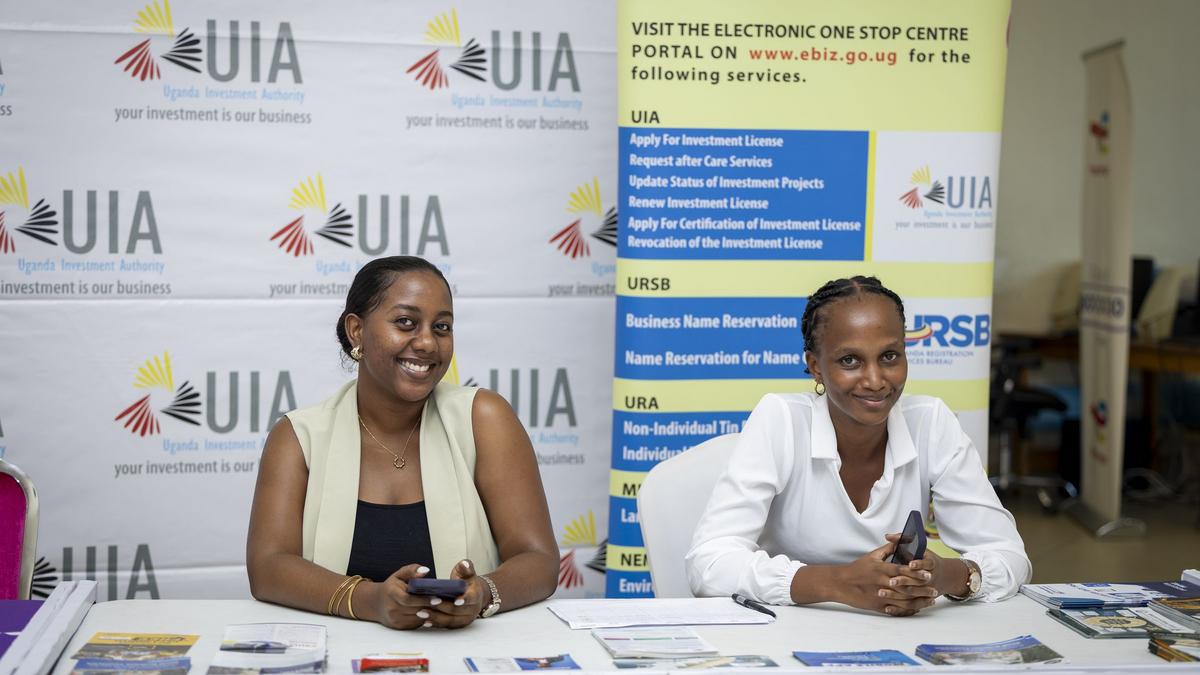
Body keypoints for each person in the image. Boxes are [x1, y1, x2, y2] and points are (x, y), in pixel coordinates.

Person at [686, 276, 1031, 616]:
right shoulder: (781, 419)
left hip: (897, 636)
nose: (875, 380)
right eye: (849, 360)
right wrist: (839, 584)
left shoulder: (931, 421)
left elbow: (1010, 556)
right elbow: (709, 563)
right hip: (787, 632)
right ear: (815, 366)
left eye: (889, 356)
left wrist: (944, 576)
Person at [247, 256, 559, 629]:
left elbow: (538, 560)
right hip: (339, 652)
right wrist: (370, 600)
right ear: (356, 331)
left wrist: (482, 595)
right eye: (406, 322)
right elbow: (268, 568)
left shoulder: (484, 418)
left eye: (441, 327)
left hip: (461, 652)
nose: (427, 342)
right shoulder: (299, 436)